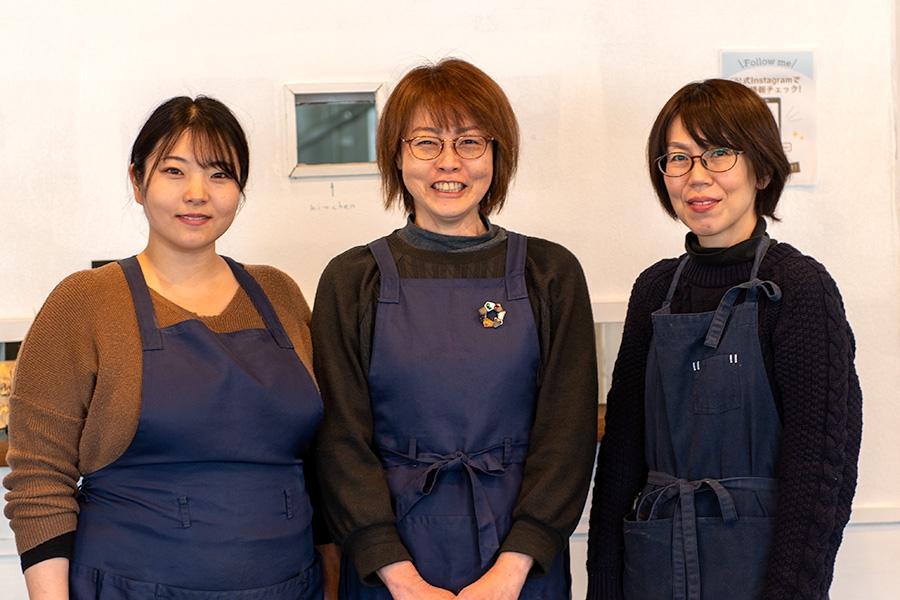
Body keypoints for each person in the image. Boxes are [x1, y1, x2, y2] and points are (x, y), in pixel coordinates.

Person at [3, 96, 333, 600]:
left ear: (240, 189)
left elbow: (324, 463)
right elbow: (39, 479)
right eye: (174, 171)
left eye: (220, 174)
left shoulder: (279, 294)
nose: (197, 193)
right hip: (130, 585)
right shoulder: (85, 302)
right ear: (137, 182)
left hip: (291, 585)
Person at [312, 58, 598, 600]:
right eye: (426, 142)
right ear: (397, 156)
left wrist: (511, 570)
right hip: (389, 560)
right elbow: (340, 442)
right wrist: (399, 577)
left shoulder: (550, 273)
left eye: (470, 142)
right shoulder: (352, 280)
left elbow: (567, 436)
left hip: (520, 559)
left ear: (497, 155)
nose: (449, 162)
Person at [586, 78, 863, 600]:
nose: (697, 176)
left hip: (759, 573)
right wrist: (603, 585)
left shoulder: (798, 288)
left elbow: (821, 468)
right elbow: (622, 455)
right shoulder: (654, 290)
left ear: (762, 170)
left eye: (718, 154)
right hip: (653, 566)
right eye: (678, 158)